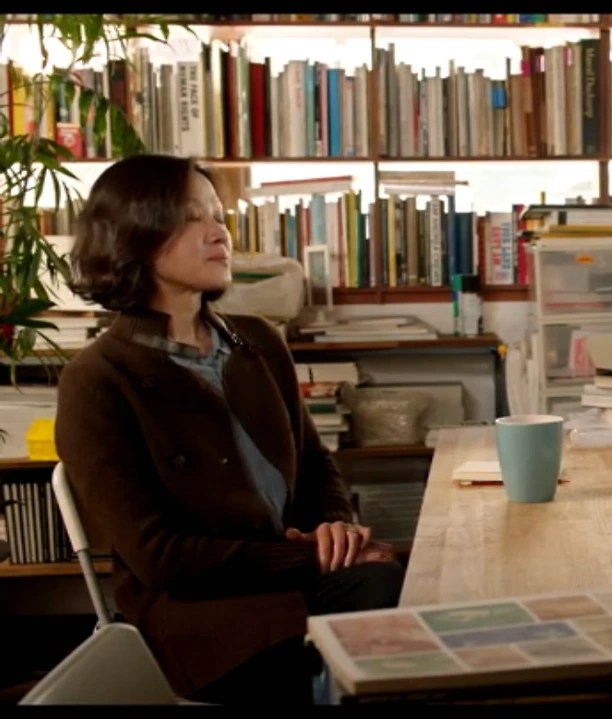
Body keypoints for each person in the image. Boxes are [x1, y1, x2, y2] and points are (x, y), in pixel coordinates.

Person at [54, 154, 406, 704]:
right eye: (192, 217)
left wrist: (336, 529)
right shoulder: (97, 379)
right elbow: (160, 558)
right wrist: (311, 557)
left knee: (418, 579)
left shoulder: (257, 340)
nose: (219, 233)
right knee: (388, 592)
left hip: (300, 579)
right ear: (135, 235)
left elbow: (315, 463)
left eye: (218, 215)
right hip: (205, 619)